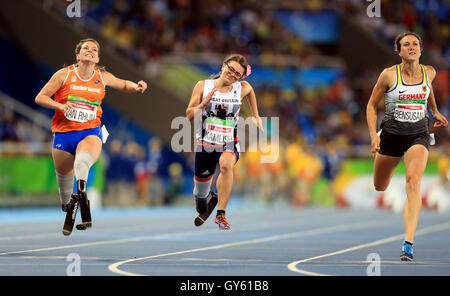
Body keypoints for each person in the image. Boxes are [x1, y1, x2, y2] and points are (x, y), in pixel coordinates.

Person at [35, 38, 147, 234]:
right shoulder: (64, 74)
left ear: (97, 57)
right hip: (63, 135)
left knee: (82, 162)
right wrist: (60, 105)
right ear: (78, 55)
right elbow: (40, 97)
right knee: (64, 198)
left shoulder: (102, 76)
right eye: (85, 48)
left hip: (90, 132)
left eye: (94, 49)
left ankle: (81, 196)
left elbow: (123, 84)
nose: (90, 50)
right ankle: (71, 201)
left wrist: (136, 86)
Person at [366, 32, 448, 261]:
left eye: (415, 44)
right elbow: (371, 106)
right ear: (399, 51)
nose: (411, 47)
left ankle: (408, 243)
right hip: (390, 136)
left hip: (418, 135)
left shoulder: (429, 72)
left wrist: (435, 111)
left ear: (421, 49)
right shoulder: (388, 76)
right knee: (379, 186)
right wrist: (374, 135)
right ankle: (383, 162)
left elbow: (428, 89)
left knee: (413, 182)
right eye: (406, 45)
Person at [186, 54, 263, 230]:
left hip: (229, 142)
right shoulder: (202, 86)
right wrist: (202, 105)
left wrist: (256, 115)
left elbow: (250, 90)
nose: (233, 74)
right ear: (223, 66)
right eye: (231, 69)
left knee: (226, 165)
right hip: (205, 144)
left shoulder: (240, 88)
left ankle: (221, 214)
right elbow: (189, 116)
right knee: (200, 195)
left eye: (237, 74)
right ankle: (206, 198)